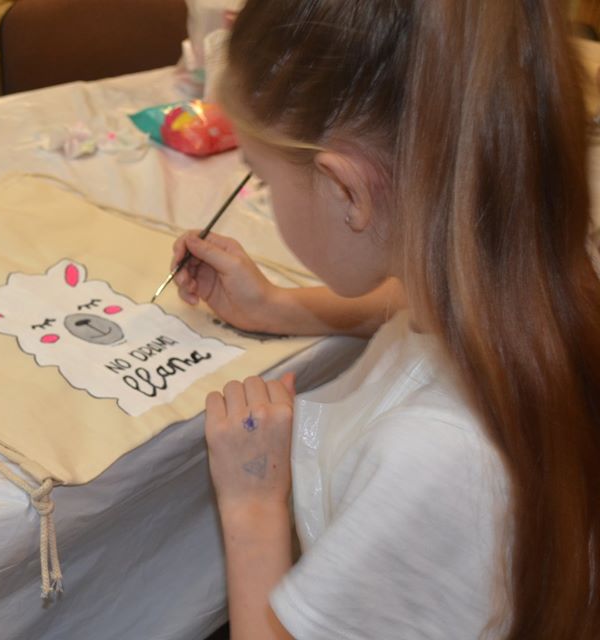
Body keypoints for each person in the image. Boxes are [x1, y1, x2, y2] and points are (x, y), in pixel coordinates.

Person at [171, 1, 600, 638]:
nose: (265, 195)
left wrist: (252, 506)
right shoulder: (533, 278)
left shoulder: (433, 460)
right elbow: (407, 305)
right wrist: (278, 307)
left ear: (347, 191)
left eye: (261, 179)